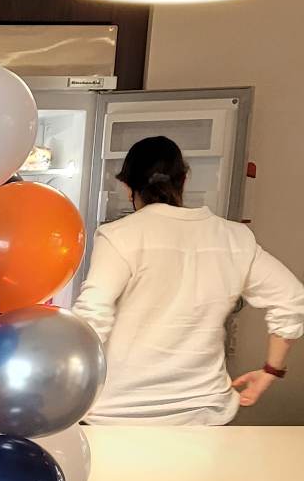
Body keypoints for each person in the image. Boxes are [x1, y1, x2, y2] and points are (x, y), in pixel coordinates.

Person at [72, 136, 304, 425]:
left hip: (119, 412)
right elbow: (292, 298)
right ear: (184, 179)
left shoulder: (118, 235)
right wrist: (272, 370)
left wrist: (66, 387)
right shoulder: (233, 237)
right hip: (205, 412)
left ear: (127, 187)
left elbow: (94, 314)